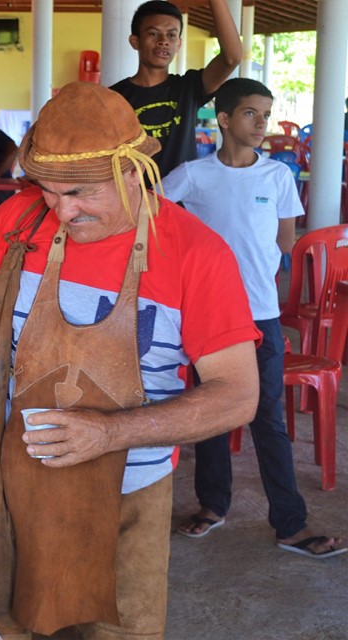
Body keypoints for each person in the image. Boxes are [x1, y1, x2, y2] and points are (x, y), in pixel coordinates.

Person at [0, 82, 260, 636]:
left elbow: (237, 395)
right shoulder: (20, 221)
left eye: (81, 192)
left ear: (134, 171)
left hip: (127, 503)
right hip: (0, 491)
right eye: (48, 190)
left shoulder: (197, 254)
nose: (62, 209)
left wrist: (108, 433)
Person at [162, 78, 346, 559]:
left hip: (260, 315)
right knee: (212, 415)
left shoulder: (278, 177)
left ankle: (290, 524)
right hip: (208, 316)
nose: (261, 122)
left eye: (266, 113)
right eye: (250, 113)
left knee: (268, 419)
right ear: (223, 119)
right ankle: (212, 505)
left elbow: (284, 242)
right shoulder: (193, 175)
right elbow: (154, 214)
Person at [111, 0, 242, 177]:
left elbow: (232, 58)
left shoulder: (189, 87)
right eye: (153, 33)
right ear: (135, 41)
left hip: (180, 201)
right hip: (133, 200)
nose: (164, 41)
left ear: (178, 44)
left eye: (171, 35)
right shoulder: (113, 98)